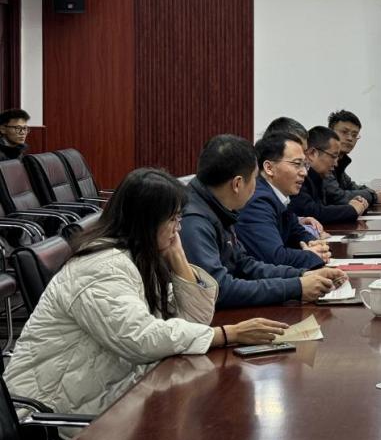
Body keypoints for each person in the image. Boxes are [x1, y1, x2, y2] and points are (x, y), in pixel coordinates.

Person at [2, 168, 288, 417]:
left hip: (104, 392)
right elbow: (140, 338)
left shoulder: (140, 256)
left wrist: (178, 257)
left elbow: (194, 321)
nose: (178, 229)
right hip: (51, 408)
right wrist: (227, 334)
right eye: (173, 220)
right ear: (146, 221)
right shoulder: (101, 267)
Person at [180, 134, 346, 308]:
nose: (257, 185)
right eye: (254, 179)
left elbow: (244, 265)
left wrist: (302, 275)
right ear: (237, 184)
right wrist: (296, 287)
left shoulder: (218, 207)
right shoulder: (194, 221)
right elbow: (218, 290)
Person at [235, 133, 331, 269]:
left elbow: (299, 233)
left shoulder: (279, 197)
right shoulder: (257, 201)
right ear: (269, 168)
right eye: (297, 164)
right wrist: (311, 255)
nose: (304, 172)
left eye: (305, 165)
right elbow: (273, 257)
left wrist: (316, 245)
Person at [291, 126, 369, 224]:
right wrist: (351, 209)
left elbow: (325, 207)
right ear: (312, 154)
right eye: (333, 156)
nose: (336, 164)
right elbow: (311, 212)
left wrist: (351, 205)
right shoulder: (298, 177)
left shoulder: (318, 177)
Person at [325, 109, 381, 206]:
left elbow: (350, 186)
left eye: (354, 135)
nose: (350, 138)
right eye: (344, 132)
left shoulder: (340, 161)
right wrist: (374, 196)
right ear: (330, 132)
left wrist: (374, 192)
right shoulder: (323, 160)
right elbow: (336, 196)